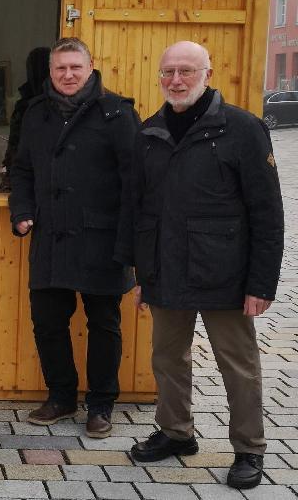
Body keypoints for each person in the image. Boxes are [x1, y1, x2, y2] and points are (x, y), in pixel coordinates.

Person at [126, 41, 283, 490]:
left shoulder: (242, 129)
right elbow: (141, 210)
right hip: (166, 271)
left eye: (186, 72)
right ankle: (177, 433)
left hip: (226, 275)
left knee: (238, 364)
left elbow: (267, 212)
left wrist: (261, 283)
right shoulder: (150, 132)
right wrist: (142, 273)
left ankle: (249, 448)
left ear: (208, 74)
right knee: (166, 358)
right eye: (168, 72)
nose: (176, 80)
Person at [10, 37, 138, 438]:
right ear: (50, 71)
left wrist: (130, 239)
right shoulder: (35, 114)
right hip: (51, 236)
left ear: (90, 67)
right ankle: (62, 396)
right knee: (48, 321)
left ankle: (101, 404)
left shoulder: (117, 113)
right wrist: (23, 212)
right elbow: (21, 170)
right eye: (60, 68)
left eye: (75, 68)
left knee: (104, 323)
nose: (67, 75)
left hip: (102, 240)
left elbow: (136, 181)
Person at [0, 46, 50, 191]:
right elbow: (15, 144)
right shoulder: (25, 104)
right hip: (27, 181)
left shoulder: (30, 106)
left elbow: (17, 146)